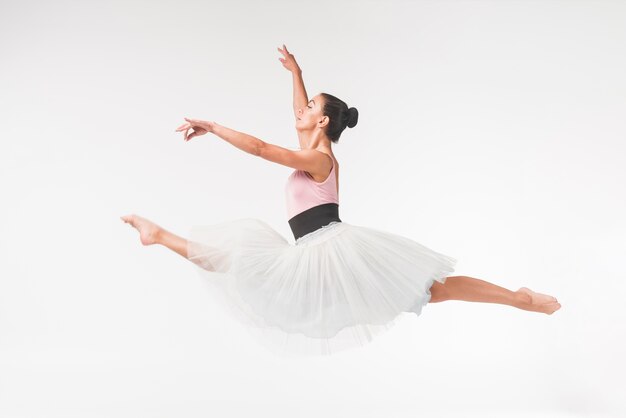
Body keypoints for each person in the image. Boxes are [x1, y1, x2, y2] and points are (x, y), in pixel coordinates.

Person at [121, 44, 561, 356]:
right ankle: (157, 234)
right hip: (311, 251)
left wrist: (214, 126)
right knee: (237, 263)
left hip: (330, 249)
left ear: (324, 120)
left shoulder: (318, 159)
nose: (300, 110)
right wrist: (296, 75)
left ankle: (518, 297)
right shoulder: (314, 144)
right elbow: (300, 121)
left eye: (310, 105)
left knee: (432, 291)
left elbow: (259, 148)